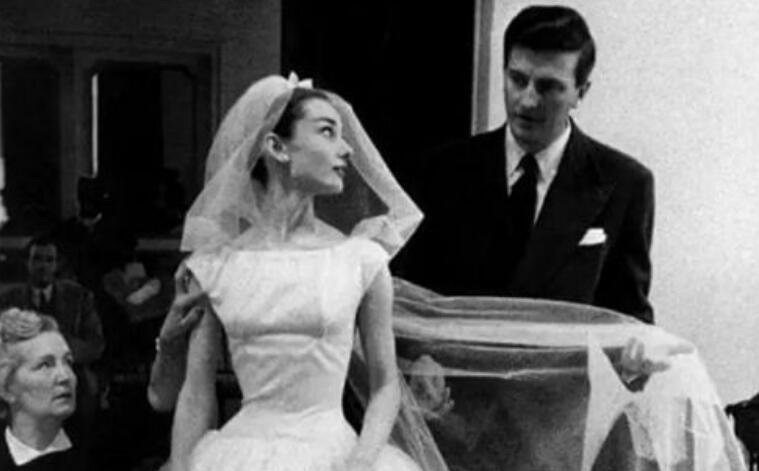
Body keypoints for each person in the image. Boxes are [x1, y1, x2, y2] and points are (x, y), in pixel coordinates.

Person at [164, 74, 423, 471]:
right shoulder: (215, 266)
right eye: (327, 131)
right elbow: (196, 393)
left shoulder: (360, 260)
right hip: (239, 455)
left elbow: (386, 385)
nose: (347, 149)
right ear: (277, 146)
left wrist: (362, 461)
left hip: (334, 452)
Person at [396, 5, 655, 323]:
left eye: (548, 86)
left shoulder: (625, 184)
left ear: (581, 92)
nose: (528, 100)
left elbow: (630, 321)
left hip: (565, 356)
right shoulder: (441, 171)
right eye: (517, 80)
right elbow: (408, 302)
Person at [0, 235, 105, 462]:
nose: (43, 265)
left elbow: (95, 345)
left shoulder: (79, 297)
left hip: (77, 381)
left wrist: (56, 348)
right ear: (27, 263)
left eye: (49, 260)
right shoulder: (9, 300)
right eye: (37, 259)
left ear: (57, 264)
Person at [0, 307, 84, 470]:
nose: (65, 376)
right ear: (7, 388)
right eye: (45, 365)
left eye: (68, 361)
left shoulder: (104, 453)